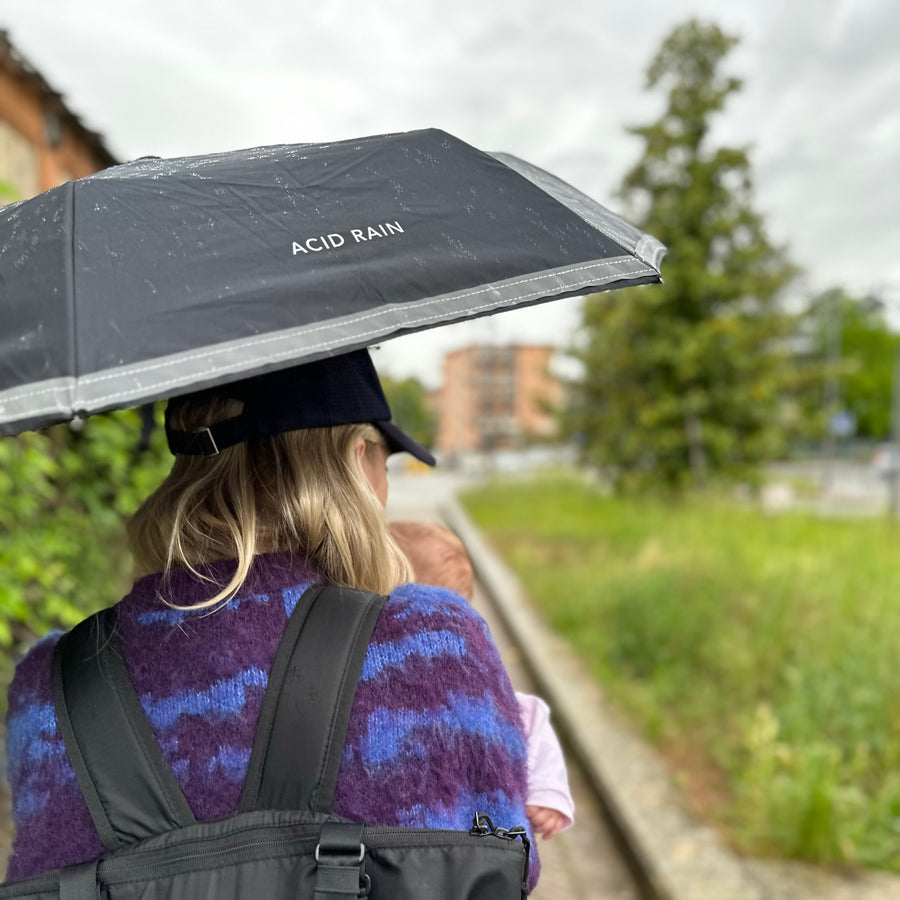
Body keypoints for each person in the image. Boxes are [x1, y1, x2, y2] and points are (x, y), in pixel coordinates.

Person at [3, 349, 538, 890]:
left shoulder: (50, 687)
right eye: (384, 456)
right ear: (355, 461)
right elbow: (502, 867)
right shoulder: (433, 645)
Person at [389, 520, 574, 840]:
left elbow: (526, 716)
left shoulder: (472, 668)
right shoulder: (382, 674)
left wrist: (547, 791)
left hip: (475, 842)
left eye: (464, 606)